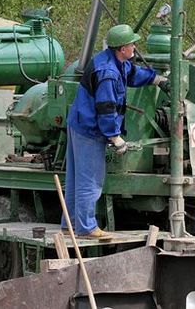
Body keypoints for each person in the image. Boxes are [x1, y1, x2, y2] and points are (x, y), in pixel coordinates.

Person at [62, 24, 169, 239]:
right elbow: (106, 108)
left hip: (79, 124)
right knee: (90, 181)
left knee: (76, 179)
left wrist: (156, 79)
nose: (135, 47)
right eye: (132, 44)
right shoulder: (108, 74)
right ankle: (86, 228)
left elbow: (132, 73)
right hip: (89, 130)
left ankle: (70, 224)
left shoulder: (112, 61)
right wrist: (115, 137)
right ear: (122, 48)